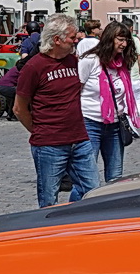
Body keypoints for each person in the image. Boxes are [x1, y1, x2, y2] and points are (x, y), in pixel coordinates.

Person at [15, 13, 98, 205]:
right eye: (72, 37)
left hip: (80, 140)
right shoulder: (34, 67)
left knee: (94, 192)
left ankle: (80, 221)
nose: (76, 40)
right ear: (57, 40)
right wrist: (39, 131)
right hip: (50, 145)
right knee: (49, 199)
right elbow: (19, 108)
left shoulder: (72, 61)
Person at [78, 23, 140, 183]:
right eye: (120, 39)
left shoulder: (122, 63)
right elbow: (76, 91)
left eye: (126, 40)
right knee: (88, 178)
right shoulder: (90, 60)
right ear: (109, 38)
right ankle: (81, 200)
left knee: (115, 177)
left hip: (115, 125)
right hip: (90, 122)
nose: (124, 44)